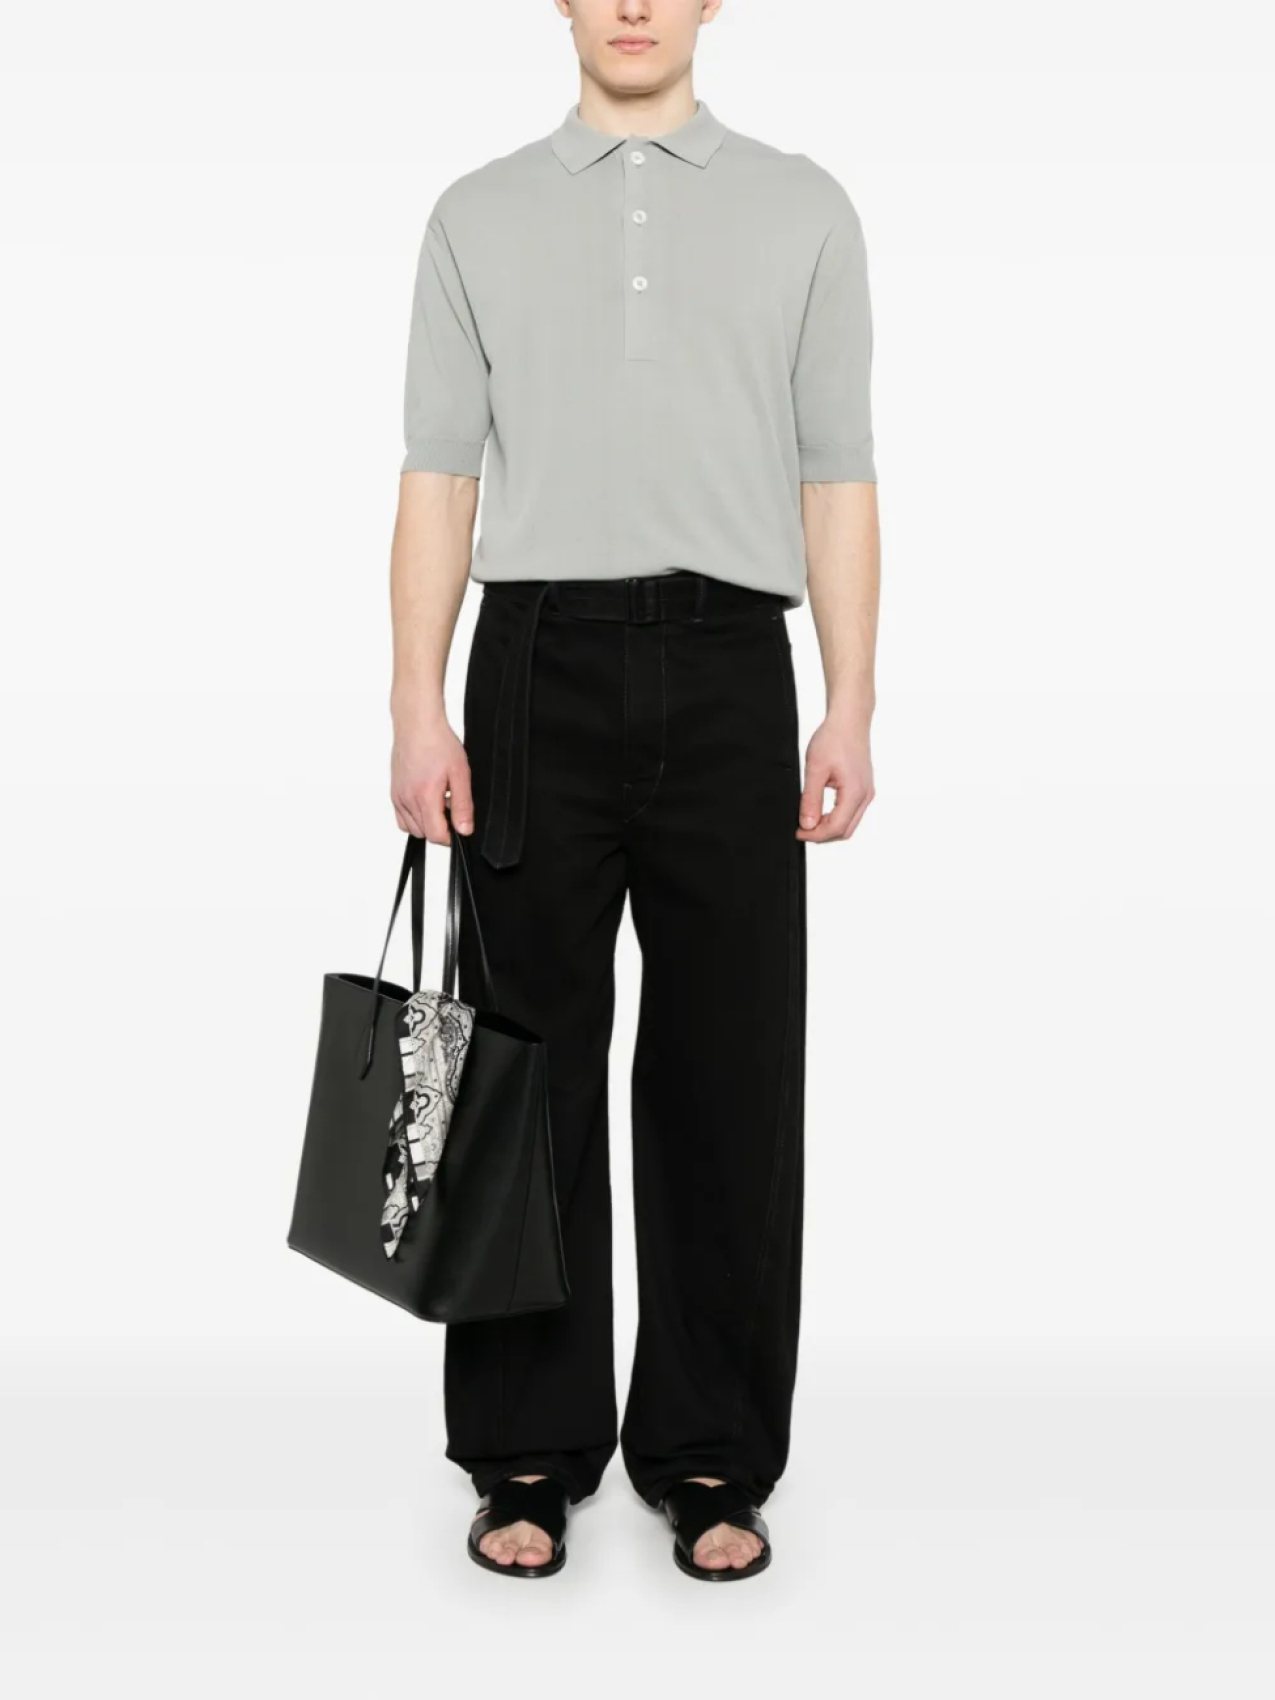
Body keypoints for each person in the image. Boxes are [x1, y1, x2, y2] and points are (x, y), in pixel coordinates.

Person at [387, 0, 879, 1583]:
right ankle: (524, 1448)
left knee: (730, 1071)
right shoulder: (476, 214)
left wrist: (850, 699)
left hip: (735, 668)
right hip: (533, 665)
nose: (634, 4)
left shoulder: (805, 208)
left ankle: (713, 1448)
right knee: (514, 1071)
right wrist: (416, 702)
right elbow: (439, 474)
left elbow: (837, 472)